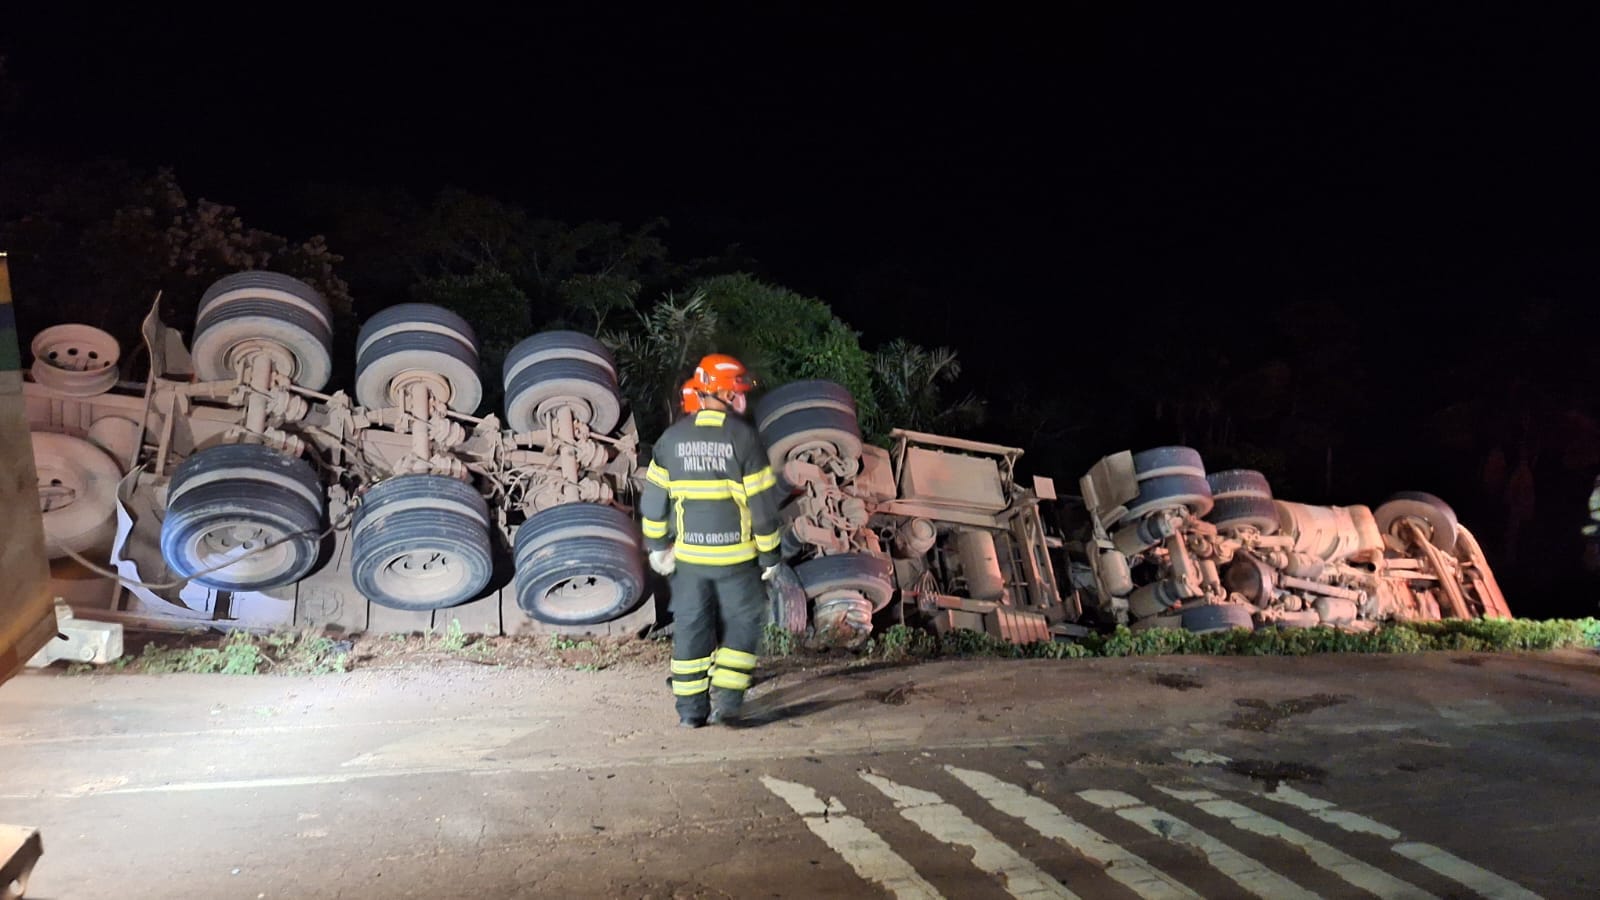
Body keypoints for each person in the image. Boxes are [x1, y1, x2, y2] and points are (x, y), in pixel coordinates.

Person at [639, 354, 783, 728]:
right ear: (723, 394)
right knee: (745, 619)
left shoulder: (671, 440)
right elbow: (763, 508)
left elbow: (654, 504)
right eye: (738, 392)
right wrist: (770, 557)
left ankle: (690, 713)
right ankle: (729, 700)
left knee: (690, 627)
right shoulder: (744, 439)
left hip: (689, 561)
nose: (742, 400)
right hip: (737, 561)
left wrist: (657, 548)